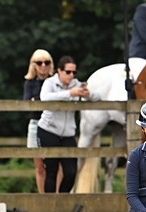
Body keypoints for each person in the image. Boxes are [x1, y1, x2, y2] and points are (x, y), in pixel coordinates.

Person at [37, 56, 94, 193]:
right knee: (51, 171)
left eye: (74, 72)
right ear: (59, 71)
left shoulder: (76, 84)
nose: (71, 75)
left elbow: (96, 96)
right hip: (49, 130)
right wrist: (70, 93)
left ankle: (62, 201)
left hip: (68, 133)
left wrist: (88, 94)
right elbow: (44, 97)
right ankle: (50, 205)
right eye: (68, 72)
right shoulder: (50, 82)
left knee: (71, 173)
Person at [23, 49, 57, 193]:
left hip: (53, 123)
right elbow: (27, 103)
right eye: (39, 62)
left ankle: (57, 196)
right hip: (36, 123)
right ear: (34, 65)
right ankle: (42, 196)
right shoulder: (30, 83)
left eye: (46, 62)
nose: (43, 66)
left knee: (56, 165)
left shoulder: (55, 82)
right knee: (40, 166)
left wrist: (37, 100)